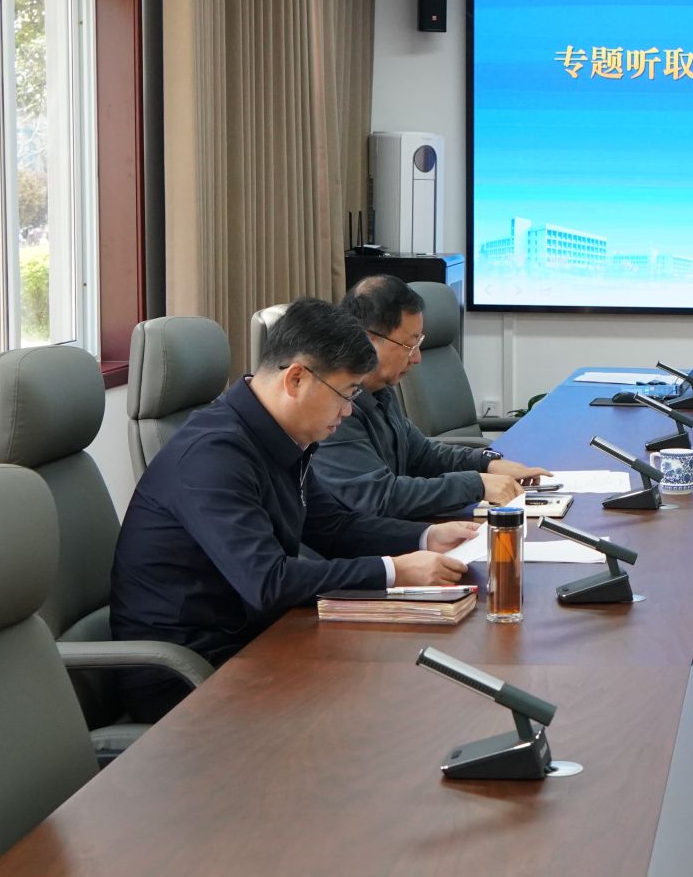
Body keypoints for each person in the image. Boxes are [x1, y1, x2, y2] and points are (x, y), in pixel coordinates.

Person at [111, 297, 479, 721]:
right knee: (385, 707)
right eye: (345, 393)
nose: (348, 411)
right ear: (297, 379)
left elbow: (333, 527)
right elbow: (269, 581)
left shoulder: (276, 435)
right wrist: (394, 571)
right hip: (190, 676)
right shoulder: (212, 456)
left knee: (400, 682)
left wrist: (425, 537)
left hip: (255, 639)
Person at [313, 276, 550, 518]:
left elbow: (422, 454)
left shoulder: (381, 392)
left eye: (419, 343)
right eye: (409, 346)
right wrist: (476, 485)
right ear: (367, 339)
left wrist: (487, 463)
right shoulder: (336, 409)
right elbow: (379, 497)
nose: (417, 358)